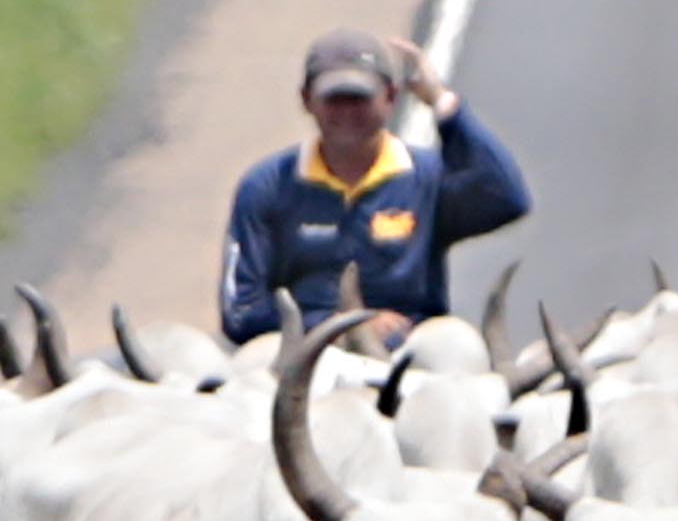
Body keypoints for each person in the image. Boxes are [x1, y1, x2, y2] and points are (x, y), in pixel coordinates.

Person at [219, 30, 531, 336]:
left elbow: (507, 199)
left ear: (391, 97)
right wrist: (340, 326)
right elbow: (241, 311)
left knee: (454, 341)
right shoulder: (268, 185)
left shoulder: (426, 178)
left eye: (359, 99)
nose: (347, 112)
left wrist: (442, 103)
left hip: (407, 355)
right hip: (302, 355)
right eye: (334, 99)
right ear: (306, 100)